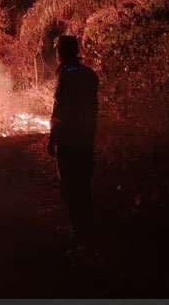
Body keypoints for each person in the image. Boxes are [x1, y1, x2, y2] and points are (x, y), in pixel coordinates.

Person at [47, 35, 99, 241]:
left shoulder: (66, 75)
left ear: (60, 53)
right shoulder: (90, 74)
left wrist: (53, 138)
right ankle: (87, 230)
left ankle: (79, 233)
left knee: (69, 186)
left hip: (68, 140)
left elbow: (60, 109)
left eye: (58, 50)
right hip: (86, 137)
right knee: (84, 185)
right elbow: (93, 107)